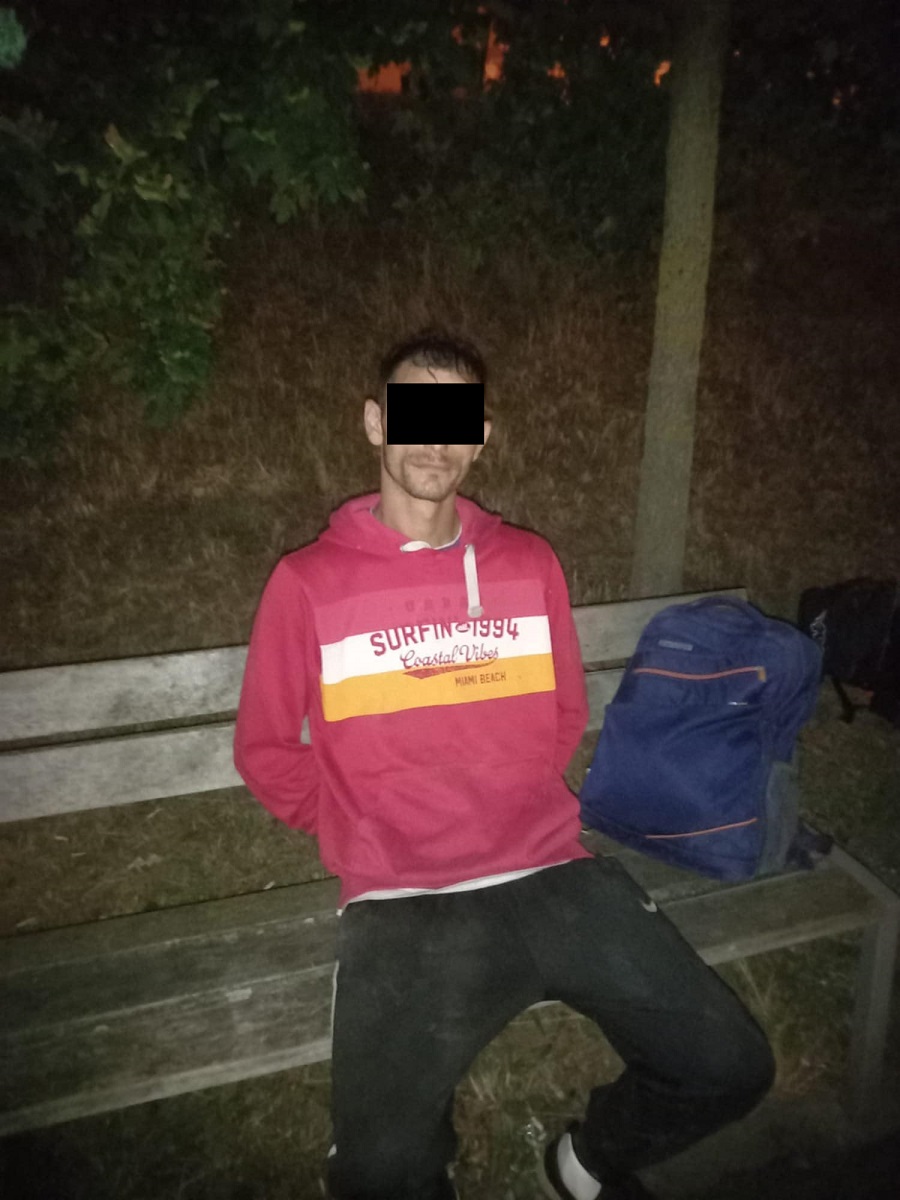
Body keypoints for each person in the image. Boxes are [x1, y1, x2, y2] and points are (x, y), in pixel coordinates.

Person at [233, 328, 776, 1200]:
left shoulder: (527, 563)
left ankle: (584, 1163)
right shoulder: (308, 583)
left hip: (550, 871)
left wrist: (512, 795)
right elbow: (265, 751)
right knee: (379, 1175)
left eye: (455, 421)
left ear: (481, 435)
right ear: (375, 423)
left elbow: (562, 713)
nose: (434, 442)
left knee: (730, 1064)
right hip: (404, 898)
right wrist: (359, 827)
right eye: (414, 415)